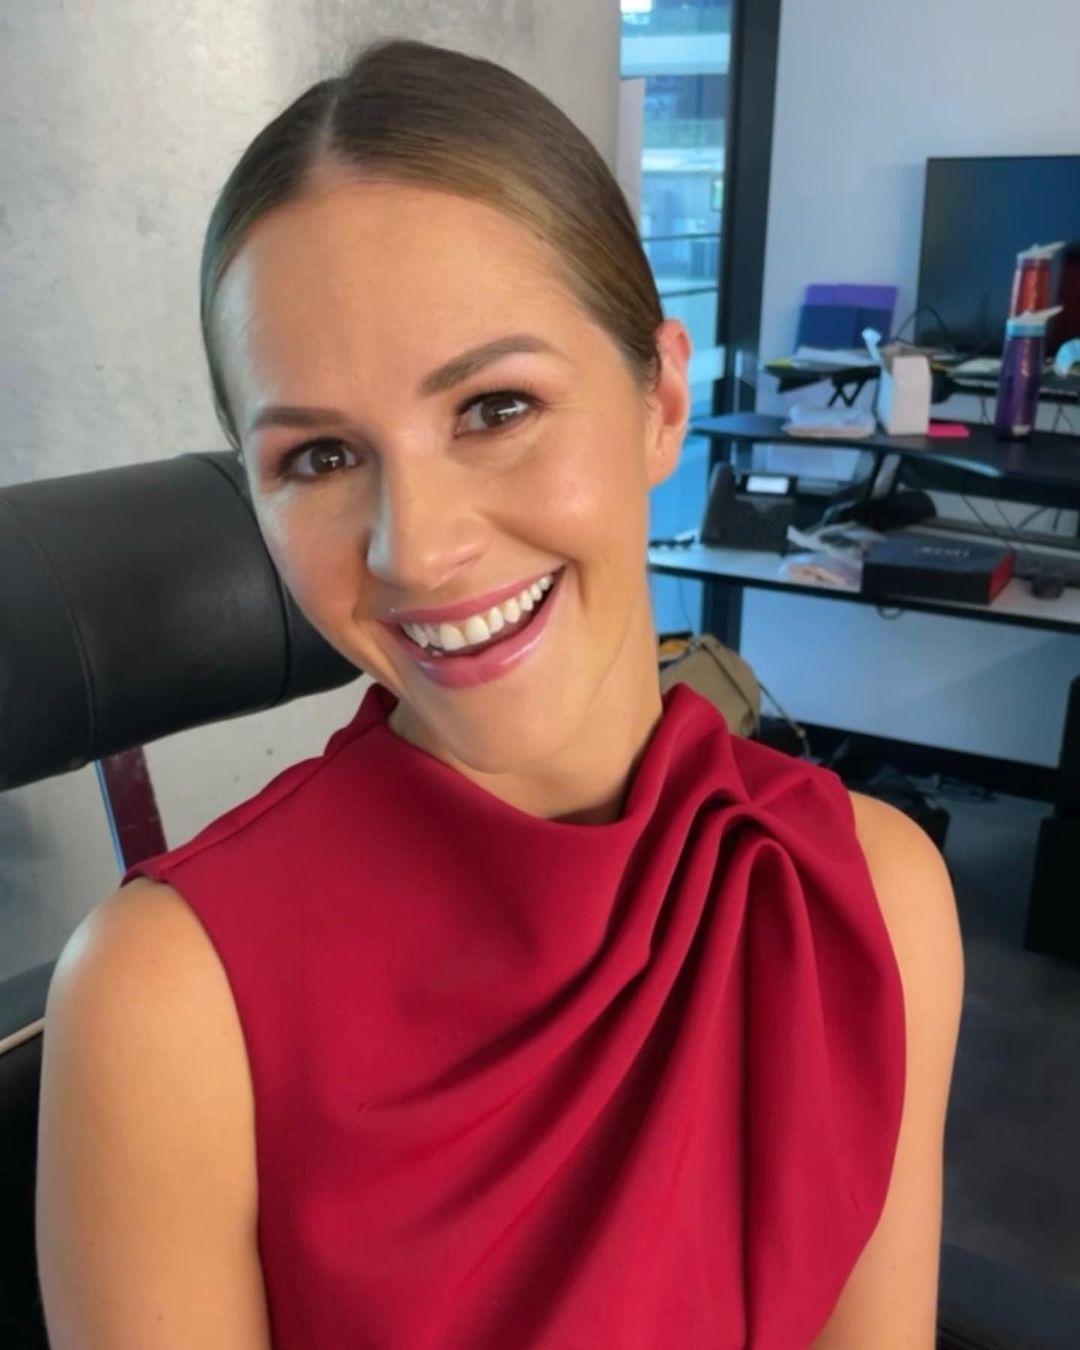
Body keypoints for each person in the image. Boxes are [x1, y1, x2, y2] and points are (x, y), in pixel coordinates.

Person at [35, 38, 963, 1350]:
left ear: (661, 397)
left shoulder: (869, 896)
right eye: (323, 456)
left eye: (493, 407)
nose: (413, 550)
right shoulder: (164, 1005)